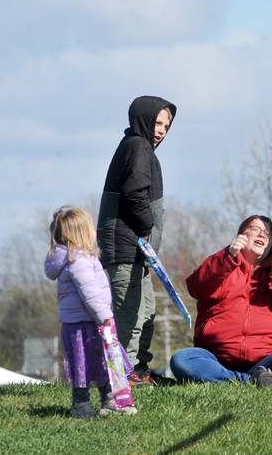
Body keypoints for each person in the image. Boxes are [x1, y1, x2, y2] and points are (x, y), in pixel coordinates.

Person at [170, 215, 272, 386]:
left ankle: (264, 378)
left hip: (266, 357)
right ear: (241, 235)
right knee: (182, 359)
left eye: (267, 233)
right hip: (216, 357)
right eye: (255, 229)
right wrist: (227, 257)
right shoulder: (222, 262)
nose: (262, 235)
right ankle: (259, 380)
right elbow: (196, 288)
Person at [96, 95, 176, 385]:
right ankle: (122, 377)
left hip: (139, 251)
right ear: (142, 119)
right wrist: (146, 227)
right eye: (157, 123)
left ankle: (138, 370)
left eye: (166, 126)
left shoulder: (141, 148)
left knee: (147, 311)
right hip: (126, 246)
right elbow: (134, 193)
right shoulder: (138, 146)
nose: (161, 131)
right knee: (129, 313)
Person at [44, 207, 137, 418]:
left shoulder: (79, 258)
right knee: (84, 365)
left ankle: (108, 399)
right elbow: (90, 293)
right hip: (84, 324)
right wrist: (104, 316)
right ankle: (81, 404)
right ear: (81, 233)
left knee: (102, 361)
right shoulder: (79, 261)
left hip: (87, 322)